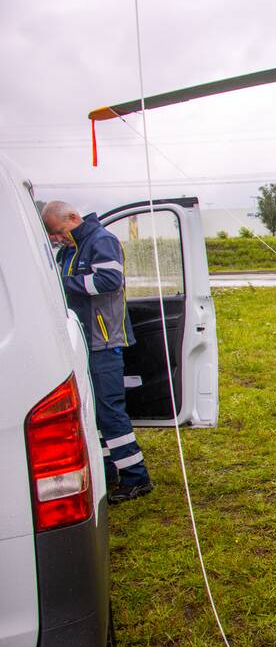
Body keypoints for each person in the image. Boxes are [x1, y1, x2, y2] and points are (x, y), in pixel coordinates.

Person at [42, 201, 153, 504]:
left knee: (109, 410)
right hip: (82, 340)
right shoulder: (69, 249)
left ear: (73, 218)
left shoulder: (101, 240)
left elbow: (108, 280)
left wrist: (61, 283)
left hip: (103, 341)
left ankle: (136, 477)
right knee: (93, 413)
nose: (57, 238)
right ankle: (108, 470)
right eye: (53, 235)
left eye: (59, 232)